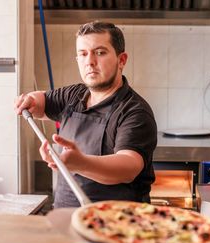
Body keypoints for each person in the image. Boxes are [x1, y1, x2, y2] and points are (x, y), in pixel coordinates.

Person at [15, 21, 157, 208]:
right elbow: (39, 103)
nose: (89, 61)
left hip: (117, 223)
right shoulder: (74, 95)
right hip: (67, 217)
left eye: (100, 52)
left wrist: (80, 163)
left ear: (121, 60)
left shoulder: (134, 111)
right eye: (83, 54)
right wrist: (30, 100)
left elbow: (128, 166)